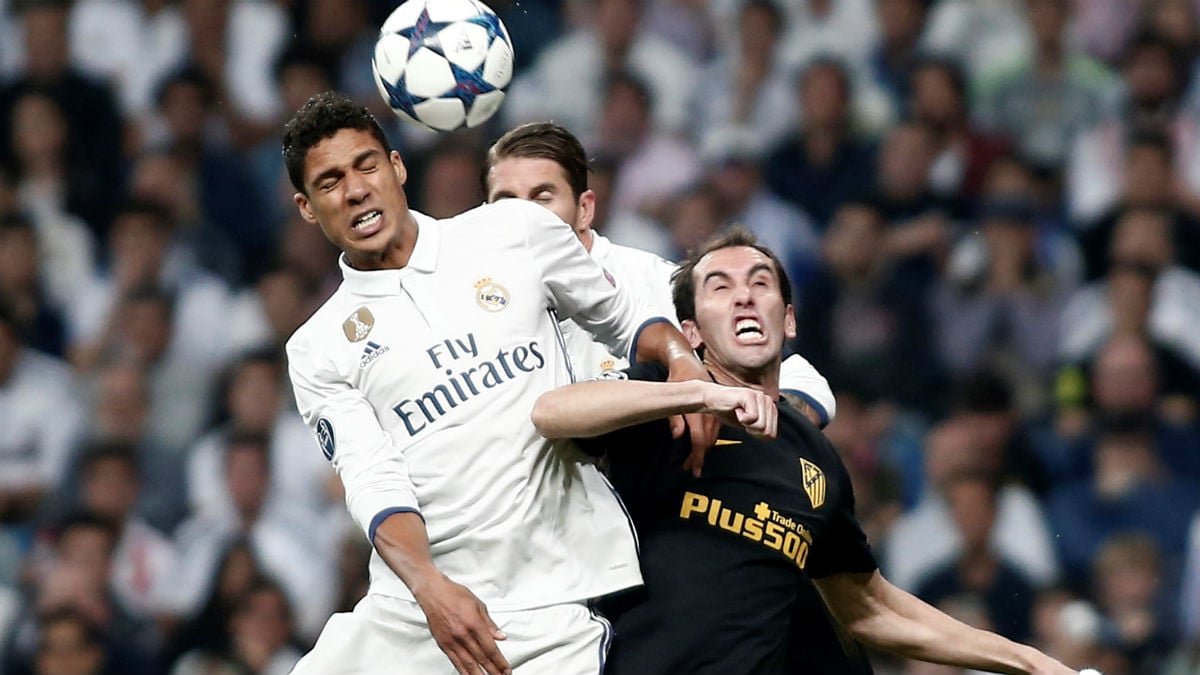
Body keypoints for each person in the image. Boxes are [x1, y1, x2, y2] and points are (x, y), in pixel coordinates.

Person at [281, 91, 715, 675]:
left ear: (397, 167)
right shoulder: (316, 346)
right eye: (330, 182)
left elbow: (624, 317)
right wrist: (430, 588)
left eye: (366, 165)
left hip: (551, 599)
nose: (356, 189)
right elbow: (373, 481)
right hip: (411, 607)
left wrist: (683, 360)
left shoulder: (512, 230)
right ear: (307, 208)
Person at [531, 228, 1080, 675]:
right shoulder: (663, 409)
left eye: (760, 282)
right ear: (692, 333)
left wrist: (1027, 662)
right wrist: (696, 389)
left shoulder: (813, 457)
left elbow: (868, 605)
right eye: (720, 287)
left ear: (788, 319)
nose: (744, 294)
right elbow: (552, 412)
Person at [482, 121, 836, 429]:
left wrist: (755, 429)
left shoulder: (652, 283)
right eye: (507, 201)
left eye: (542, 198)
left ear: (585, 210)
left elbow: (799, 379)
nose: (524, 218)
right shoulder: (463, 297)